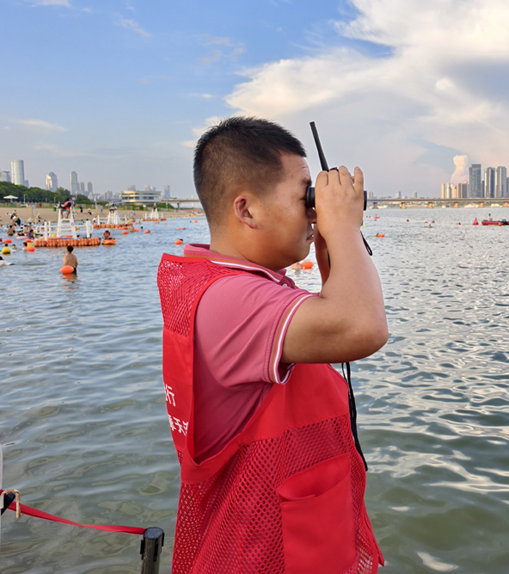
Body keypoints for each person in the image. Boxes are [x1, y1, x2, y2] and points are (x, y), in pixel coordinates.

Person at [157, 117, 386, 572]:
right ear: (246, 210)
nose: (315, 211)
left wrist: (333, 254)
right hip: (255, 555)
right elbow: (362, 327)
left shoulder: (237, 288)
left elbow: (335, 326)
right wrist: (343, 229)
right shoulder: (229, 300)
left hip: (288, 541)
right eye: (307, 196)